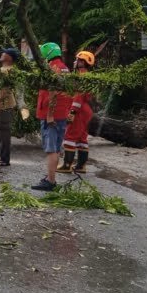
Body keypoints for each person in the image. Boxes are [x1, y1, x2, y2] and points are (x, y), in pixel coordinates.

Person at [31, 42, 73, 191]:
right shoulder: (65, 69)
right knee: (55, 148)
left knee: (51, 149)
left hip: (52, 116)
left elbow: (53, 93)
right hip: (61, 114)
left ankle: (51, 182)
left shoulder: (52, 69)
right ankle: (50, 177)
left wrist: (49, 115)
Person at [58, 50, 96, 174]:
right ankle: (81, 166)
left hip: (79, 111)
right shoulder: (88, 76)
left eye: (78, 60)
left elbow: (78, 97)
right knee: (82, 138)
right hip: (86, 110)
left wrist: (72, 112)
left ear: (83, 62)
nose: (75, 62)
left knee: (70, 136)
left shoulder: (81, 77)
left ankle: (67, 165)